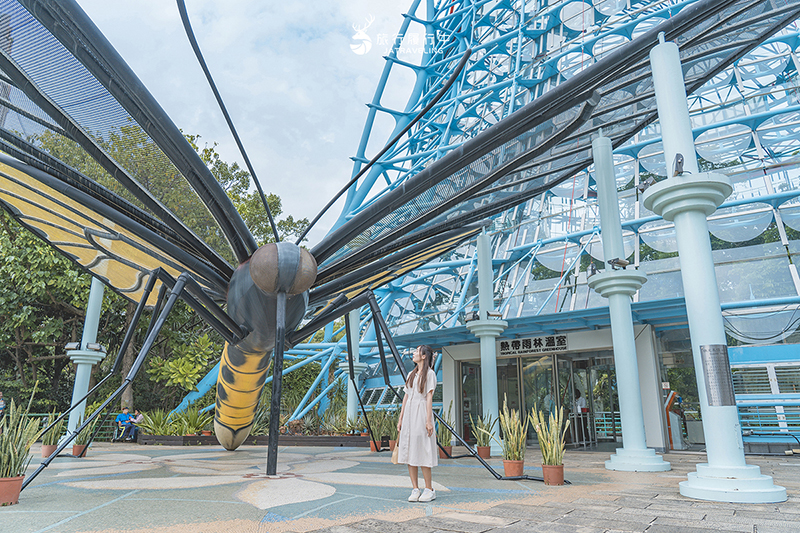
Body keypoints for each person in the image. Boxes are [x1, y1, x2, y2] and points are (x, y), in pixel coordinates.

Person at [396, 345, 438, 503]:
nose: (413, 353)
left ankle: (429, 489)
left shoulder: (430, 374)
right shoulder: (411, 374)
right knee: (409, 451)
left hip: (421, 414)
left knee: (423, 450)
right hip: (409, 414)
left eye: (416, 351)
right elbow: (405, 398)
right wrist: (401, 419)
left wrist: (428, 420)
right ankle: (415, 488)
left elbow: (429, 398)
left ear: (424, 356)